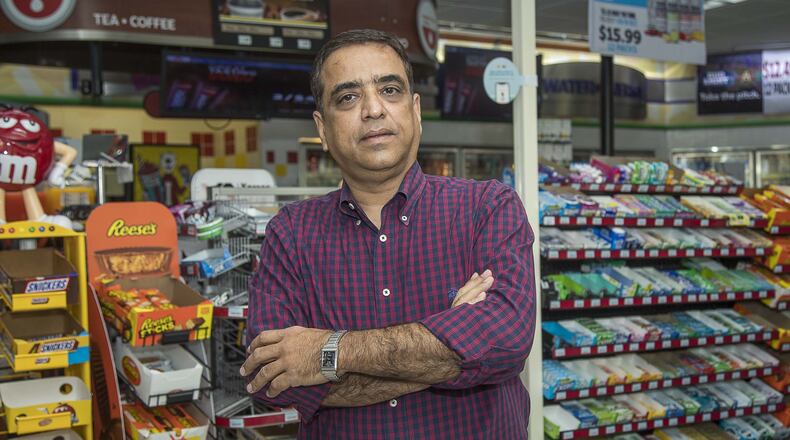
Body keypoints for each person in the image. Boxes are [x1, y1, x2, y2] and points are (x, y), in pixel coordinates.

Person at [241, 29, 536, 439]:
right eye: (348, 97)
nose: (373, 109)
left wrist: (327, 352)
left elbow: (505, 342)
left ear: (415, 111)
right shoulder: (290, 233)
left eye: (390, 90)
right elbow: (271, 378)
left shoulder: (487, 207)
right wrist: (451, 344)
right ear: (322, 128)